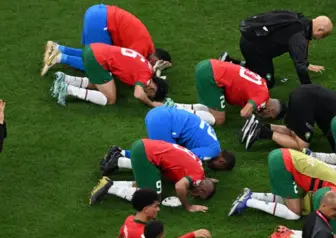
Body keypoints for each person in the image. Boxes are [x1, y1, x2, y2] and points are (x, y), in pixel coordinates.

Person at [89, 139, 218, 212]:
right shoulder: (196, 177)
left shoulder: (199, 168)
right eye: (198, 195)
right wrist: (188, 206)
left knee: (148, 182)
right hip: (146, 155)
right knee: (152, 198)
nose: (194, 196)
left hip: (146, 147)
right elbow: (180, 187)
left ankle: (115, 166)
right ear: (201, 188)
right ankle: (110, 187)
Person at [100, 107, 236, 176]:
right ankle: (119, 161)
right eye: (220, 168)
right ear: (221, 162)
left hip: (160, 114)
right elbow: (186, 158)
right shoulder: (211, 151)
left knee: (160, 154)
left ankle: (120, 152)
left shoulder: (213, 141)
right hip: (164, 122)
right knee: (165, 162)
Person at [41, 4, 171, 75]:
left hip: (98, 13)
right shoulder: (141, 49)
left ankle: (58, 48)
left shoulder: (146, 44)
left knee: (94, 54)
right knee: (99, 64)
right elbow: (127, 68)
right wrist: (150, 73)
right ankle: (59, 58)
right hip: (102, 21)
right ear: (155, 60)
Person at [221, 11, 333, 88]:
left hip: (253, 41)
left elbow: (295, 51)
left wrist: (306, 64)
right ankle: (230, 69)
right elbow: (300, 66)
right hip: (255, 49)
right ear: (319, 30)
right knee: (265, 82)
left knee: (258, 69)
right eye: (324, 35)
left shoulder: (299, 20)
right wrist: (309, 88)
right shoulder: (300, 36)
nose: (322, 38)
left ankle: (230, 62)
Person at [228, 148, 336, 220]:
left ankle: (252, 195)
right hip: (284, 163)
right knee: (295, 213)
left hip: (282, 156)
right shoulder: (332, 189)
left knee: (294, 200)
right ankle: (248, 201)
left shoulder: (335, 182)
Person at [239, 84, 336, 151]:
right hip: (308, 100)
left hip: (303, 92)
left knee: (295, 133)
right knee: (302, 146)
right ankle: (262, 132)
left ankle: (262, 126)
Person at [172, 59, 286, 126]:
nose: (264, 116)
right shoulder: (262, 96)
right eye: (268, 117)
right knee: (218, 119)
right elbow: (244, 113)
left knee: (212, 108)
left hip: (212, 67)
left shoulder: (263, 86)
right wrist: (255, 123)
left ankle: (174, 107)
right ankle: (175, 115)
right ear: (271, 111)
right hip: (212, 75)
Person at [49, 43, 168, 107]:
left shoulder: (147, 68)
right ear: (152, 88)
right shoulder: (145, 77)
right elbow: (138, 94)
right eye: (151, 95)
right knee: (110, 99)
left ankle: (65, 78)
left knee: (103, 85)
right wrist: (151, 103)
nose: (148, 95)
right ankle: (66, 89)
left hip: (94, 48)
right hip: (97, 59)